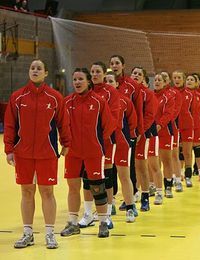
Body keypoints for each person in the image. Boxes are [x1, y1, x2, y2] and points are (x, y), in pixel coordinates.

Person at [4, 59, 71, 249]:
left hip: (47, 153)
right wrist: (9, 149)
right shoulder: (17, 97)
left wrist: (66, 143)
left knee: (47, 192)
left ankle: (50, 234)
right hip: (23, 153)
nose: (35, 70)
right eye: (32, 68)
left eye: (39, 68)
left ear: (46, 73)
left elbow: (63, 123)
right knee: (26, 192)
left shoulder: (55, 97)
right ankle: (27, 234)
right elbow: (10, 124)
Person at [61, 68, 115, 238]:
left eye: (80, 79)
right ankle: (72, 222)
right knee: (73, 187)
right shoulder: (67, 102)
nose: (77, 82)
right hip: (73, 153)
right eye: (74, 79)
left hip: (94, 152)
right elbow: (62, 126)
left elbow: (109, 126)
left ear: (88, 81)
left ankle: (103, 223)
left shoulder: (99, 101)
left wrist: (95, 141)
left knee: (98, 187)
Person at [79, 62, 120, 230]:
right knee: (86, 178)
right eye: (92, 71)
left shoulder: (110, 92)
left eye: (98, 72)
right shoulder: (85, 91)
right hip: (85, 145)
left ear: (104, 74)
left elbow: (113, 120)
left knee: (106, 178)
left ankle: (107, 214)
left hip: (105, 142)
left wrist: (98, 139)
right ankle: (88, 214)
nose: (95, 74)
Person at [110, 55, 143, 213]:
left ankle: (132, 195)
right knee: (110, 169)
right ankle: (112, 199)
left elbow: (138, 109)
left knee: (128, 167)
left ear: (123, 65)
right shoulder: (104, 84)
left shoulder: (132, 85)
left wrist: (138, 131)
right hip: (109, 136)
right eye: (112, 63)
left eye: (117, 63)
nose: (114, 65)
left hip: (128, 132)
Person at [105, 71, 137, 221]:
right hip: (107, 144)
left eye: (111, 81)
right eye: (106, 81)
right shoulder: (99, 100)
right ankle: (110, 205)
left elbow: (133, 121)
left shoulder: (125, 101)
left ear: (117, 84)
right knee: (108, 176)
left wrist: (128, 138)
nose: (108, 83)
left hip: (122, 143)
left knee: (124, 176)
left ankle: (130, 207)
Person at [132, 66, 157, 212]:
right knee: (130, 168)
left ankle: (145, 197)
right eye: (134, 73)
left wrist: (140, 131)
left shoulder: (147, 94)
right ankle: (133, 194)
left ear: (144, 78)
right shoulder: (127, 92)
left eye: (139, 74)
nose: (136, 75)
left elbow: (150, 115)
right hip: (129, 134)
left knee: (141, 166)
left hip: (142, 134)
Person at [152, 73, 175, 202]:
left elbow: (169, 113)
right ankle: (156, 188)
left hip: (165, 132)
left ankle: (168, 186)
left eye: (159, 80)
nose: (157, 82)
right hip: (152, 134)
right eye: (155, 80)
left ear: (165, 82)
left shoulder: (168, 96)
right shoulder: (150, 96)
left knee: (166, 160)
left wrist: (159, 125)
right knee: (154, 162)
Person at [173, 70, 194, 187]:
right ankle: (177, 174)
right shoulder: (170, 93)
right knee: (176, 154)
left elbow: (194, 111)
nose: (177, 80)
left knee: (187, 152)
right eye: (174, 78)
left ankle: (188, 176)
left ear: (183, 79)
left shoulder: (189, 94)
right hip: (175, 127)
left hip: (187, 126)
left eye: (179, 78)